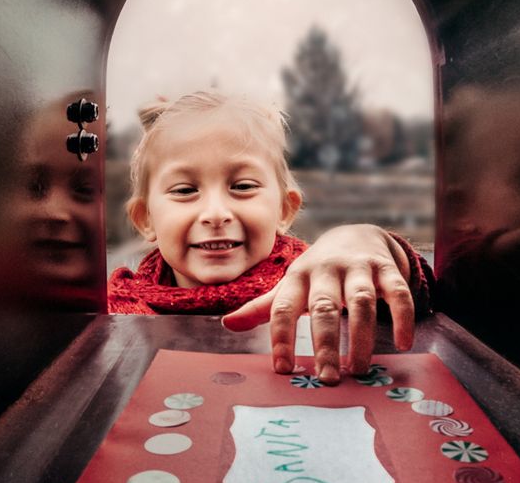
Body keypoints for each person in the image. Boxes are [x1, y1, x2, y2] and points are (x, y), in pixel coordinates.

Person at [108, 91, 433, 383]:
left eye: (243, 186)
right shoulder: (118, 305)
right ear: (145, 219)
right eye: (185, 190)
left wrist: (365, 242)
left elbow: (411, 297)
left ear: (284, 209)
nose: (216, 213)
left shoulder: (317, 282)